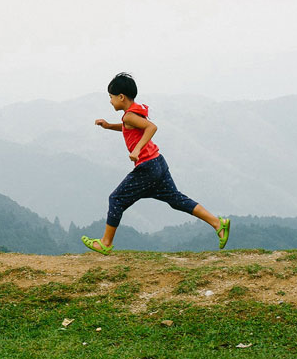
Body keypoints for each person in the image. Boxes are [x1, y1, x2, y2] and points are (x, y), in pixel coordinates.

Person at [82, 72, 230, 254]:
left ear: (121, 97)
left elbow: (151, 127)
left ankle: (105, 242)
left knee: (116, 199)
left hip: (147, 167)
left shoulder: (129, 116)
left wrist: (137, 150)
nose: (110, 101)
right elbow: (130, 128)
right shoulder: (132, 113)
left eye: (111, 97)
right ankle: (218, 224)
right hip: (158, 162)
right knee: (176, 199)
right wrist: (108, 126)